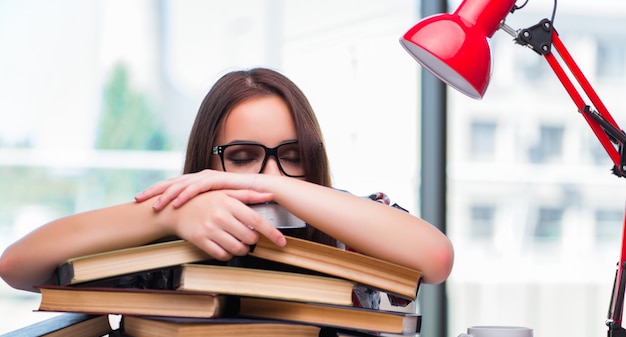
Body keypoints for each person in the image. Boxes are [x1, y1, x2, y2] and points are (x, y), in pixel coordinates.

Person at [0, 68, 453, 303]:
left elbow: (435, 259)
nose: (270, 177)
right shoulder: (169, 235)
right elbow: (18, 266)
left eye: (292, 156)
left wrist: (285, 191)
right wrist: (172, 211)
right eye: (241, 158)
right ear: (205, 165)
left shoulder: (356, 221)